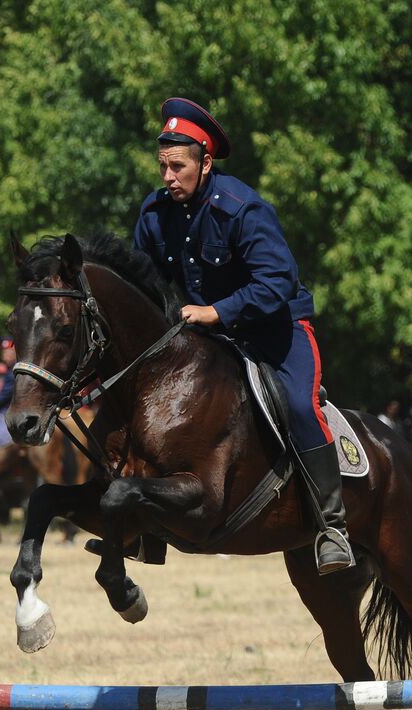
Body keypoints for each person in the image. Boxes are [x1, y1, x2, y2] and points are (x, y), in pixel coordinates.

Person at [133, 97, 351, 574]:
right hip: (211, 335)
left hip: (278, 329)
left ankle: (334, 526)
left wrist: (216, 311)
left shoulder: (242, 208)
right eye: (163, 166)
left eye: (178, 166)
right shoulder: (154, 213)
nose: (168, 177)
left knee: (298, 405)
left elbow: (276, 282)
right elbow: (143, 285)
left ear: (205, 163)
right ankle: (145, 525)